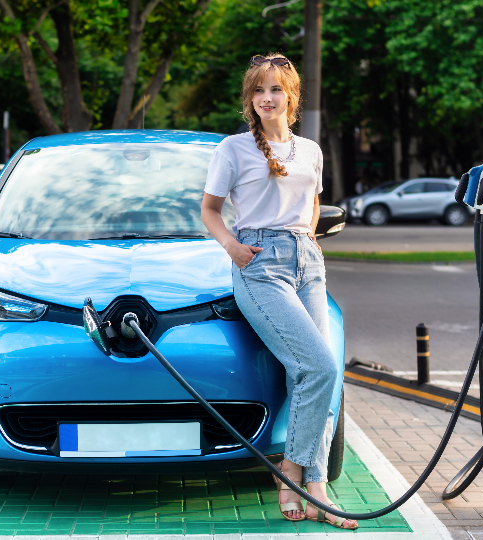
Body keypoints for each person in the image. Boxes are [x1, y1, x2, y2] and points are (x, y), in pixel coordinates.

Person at [200, 53, 356, 530]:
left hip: (307, 263)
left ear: (291, 97)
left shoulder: (310, 149)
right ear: (251, 100)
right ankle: (291, 470)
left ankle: (316, 486)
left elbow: (313, 203)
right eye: (258, 91)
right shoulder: (233, 148)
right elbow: (209, 210)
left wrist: (307, 236)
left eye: (275, 90)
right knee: (320, 365)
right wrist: (233, 247)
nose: (267, 98)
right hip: (259, 264)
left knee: (314, 374)